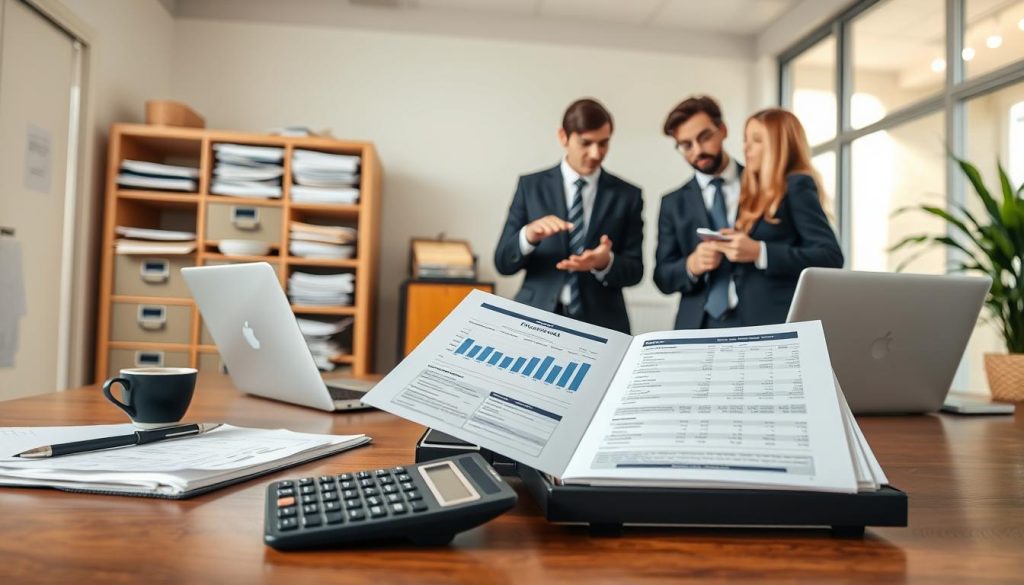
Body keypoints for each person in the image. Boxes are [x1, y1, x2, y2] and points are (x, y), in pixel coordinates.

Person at [654, 99, 842, 329]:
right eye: (686, 145)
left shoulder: (772, 183)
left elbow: (829, 256)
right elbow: (663, 277)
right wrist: (691, 265)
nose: (698, 150)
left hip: (765, 321)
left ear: (722, 131)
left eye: (704, 137)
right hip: (698, 325)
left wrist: (759, 251)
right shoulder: (672, 203)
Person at [494, 98, 643, 334]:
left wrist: (605, 262)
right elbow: (502, 262)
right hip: (534, 316)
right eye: (586, 143)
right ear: (564, 136)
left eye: (603, 143)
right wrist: (528, 236)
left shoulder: (628, 195)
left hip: (603, 323)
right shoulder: (530, 186)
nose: (596, 153)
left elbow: (636, 271)